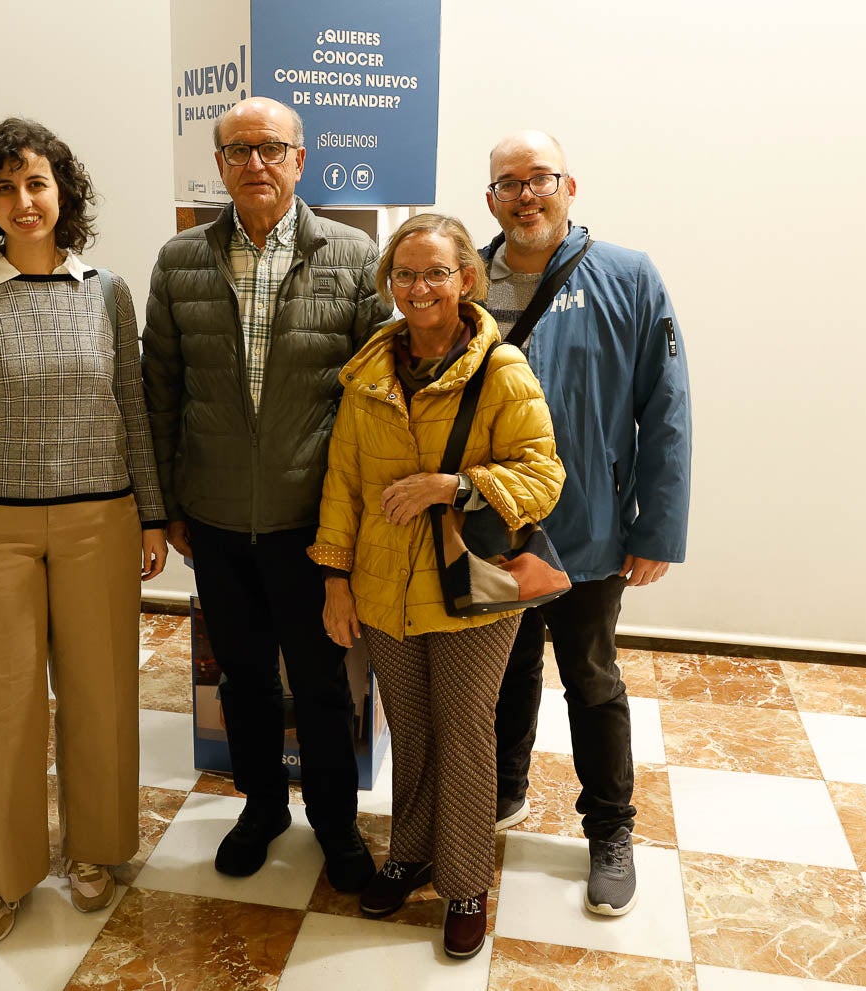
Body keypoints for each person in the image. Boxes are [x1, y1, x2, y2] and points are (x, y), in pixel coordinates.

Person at [0, 118, 168, 943]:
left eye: (36, 183)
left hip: (102, 521)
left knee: (102, 693)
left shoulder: (107, 291)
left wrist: (152, 513)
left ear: (64, 193)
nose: (23, 201)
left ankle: (94, 847)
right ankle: (1, 871)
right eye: (4, 188)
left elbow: (132, 408)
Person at [142, 97, 387, 891]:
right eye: (238, 150)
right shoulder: (180, 260)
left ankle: (335, 821)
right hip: (214, 518)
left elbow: (376, 402)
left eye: (271, 148)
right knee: (242, 678)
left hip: (311, 521)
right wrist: (165, 504)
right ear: (217, 165)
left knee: (320, 681)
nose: (255, 163)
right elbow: (159, 391)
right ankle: (261, 806)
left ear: (299, 159)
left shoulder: (353, 257)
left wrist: (354, 519)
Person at [311, 213, 565, 959]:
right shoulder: (368, 371)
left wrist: (451, 486)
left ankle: (465, 882)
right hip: (383, 586)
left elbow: (543, 475)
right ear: (389, 282)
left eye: (434, 273)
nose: (418, 287)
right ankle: (410, 853)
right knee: (412, 727)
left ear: (465, 279)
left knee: (463, 732)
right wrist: (335, 579)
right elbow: (343, 483)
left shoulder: (500, 368)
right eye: (405, 274)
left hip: (471, 592)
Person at [483, 130, 692, 917]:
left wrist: (656, 529)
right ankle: (501, 789)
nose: (525, 195)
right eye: (509, 182)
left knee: (591, 680)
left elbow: (665, 408)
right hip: (491, 525)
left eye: (540, 178)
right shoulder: (464, 276)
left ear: (569, 187)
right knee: (502, 671)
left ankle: (609, 830)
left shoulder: (627, 276)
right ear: (491, 199)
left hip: (589, 529)